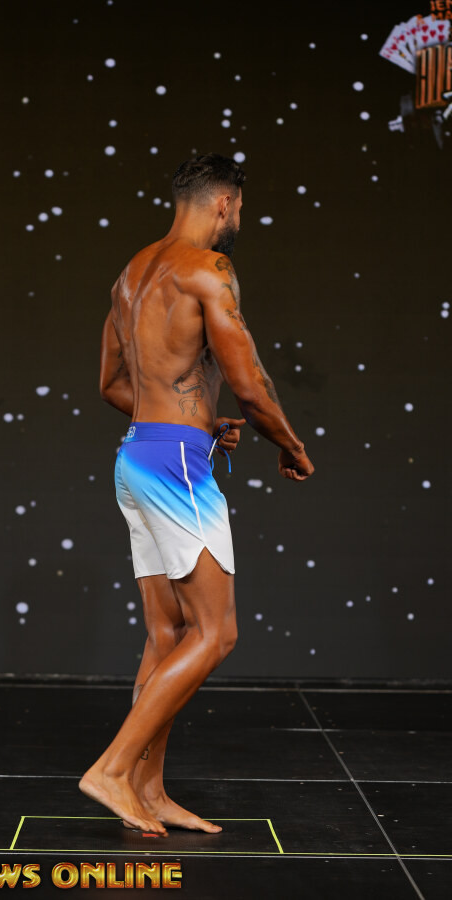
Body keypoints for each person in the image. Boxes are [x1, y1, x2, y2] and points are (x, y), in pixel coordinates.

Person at [79, 153, 315, 836]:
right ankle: (112, 769)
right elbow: (251, 384)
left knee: (167, 634)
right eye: (240, 208)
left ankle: (148, 791)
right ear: (223, 203)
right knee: (216, 632)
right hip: (176, 468)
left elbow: (112, 385)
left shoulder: (132, 274)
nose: (239, 218)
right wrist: (291, 445)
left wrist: (197, 424)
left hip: (136, 456)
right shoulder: (209, 269)